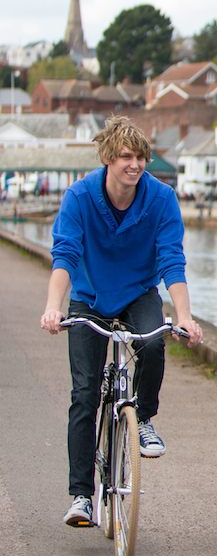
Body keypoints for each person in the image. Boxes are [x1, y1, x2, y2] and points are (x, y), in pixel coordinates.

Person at [39, 116, 204, 527]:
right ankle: (81, 496)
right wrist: (53, 306)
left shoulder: (161, 198)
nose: (134, 165)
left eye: (140, 157)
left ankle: (143, 418)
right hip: (89, 296)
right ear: (108, 159)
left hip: (137, 293)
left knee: (152, 342)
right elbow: (65, 256)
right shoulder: (79, 197)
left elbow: (171, 259)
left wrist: (184, 315)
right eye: (126, 157)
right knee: (85, 395)